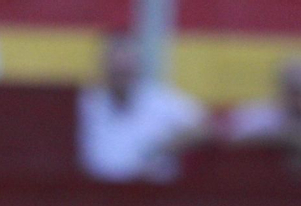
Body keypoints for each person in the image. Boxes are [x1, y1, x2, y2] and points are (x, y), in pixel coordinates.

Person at [77, 33, 209, 182]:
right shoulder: (89, 102)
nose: (121, 74)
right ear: (104, 67)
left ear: (137, 67)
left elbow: (205, 128)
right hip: (96, 193)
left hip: (150, 195)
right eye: (116, 69)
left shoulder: (161, 101)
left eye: (125, 69)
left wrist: (165, 145)